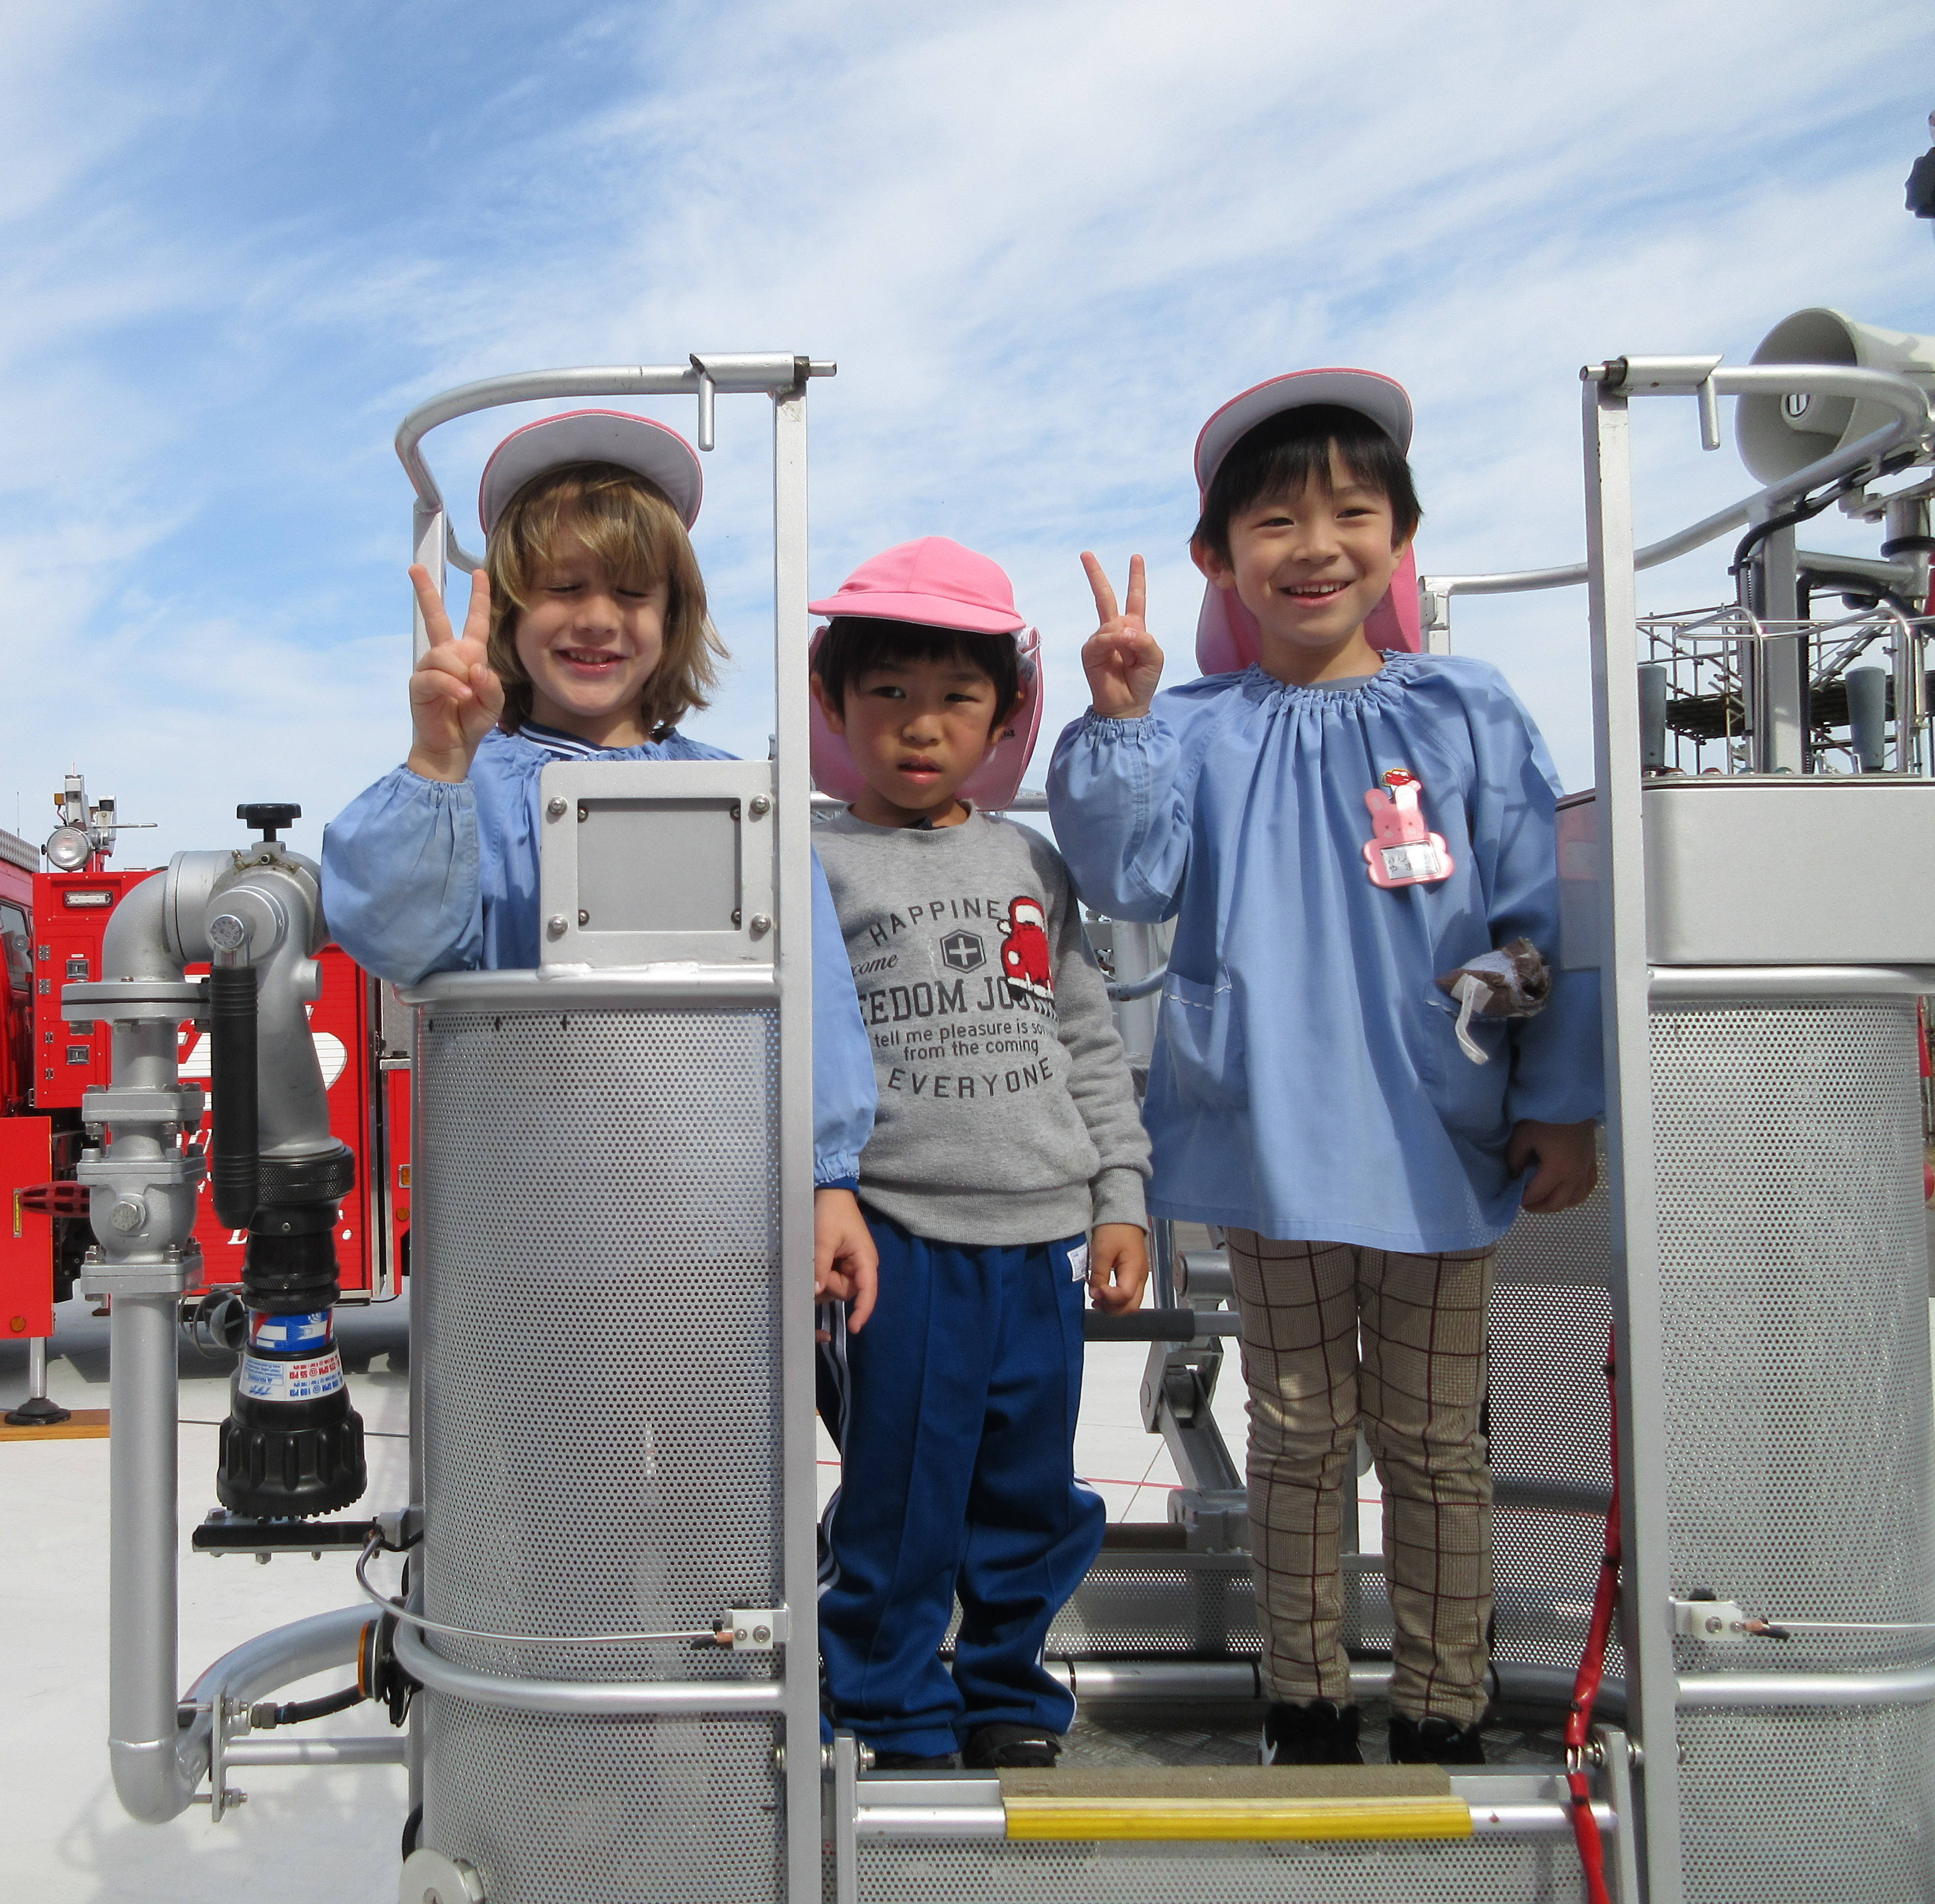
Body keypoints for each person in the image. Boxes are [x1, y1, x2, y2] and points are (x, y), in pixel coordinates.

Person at [1046, 372, 1602, 1767]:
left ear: (1400, 540)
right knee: (1297, 1430)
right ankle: (1303, 1702)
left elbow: (1539, 919)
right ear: (1218, 558)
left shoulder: (1469, 710)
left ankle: (1444, 1709)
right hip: (1272, 1140)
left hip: (1441, 1138)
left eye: (1353, 514)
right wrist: (1120, 719)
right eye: (1275, 521)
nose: (1316, 547)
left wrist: (1557, 1101)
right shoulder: (1193, 728)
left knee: (1436, 1440)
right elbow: (1127, 877)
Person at [322, 409, 881, 1321]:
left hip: (717, 1233)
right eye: (563, 586)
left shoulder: (741, 795)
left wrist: (830, 1180)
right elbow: (394, 937)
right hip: (525, 1242)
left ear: (674, 617)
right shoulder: (466, 789)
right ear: (509, 610)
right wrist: (435, 764)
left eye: (630, 592)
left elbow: (812, 992)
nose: (595, 618)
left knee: (715, 1424)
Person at [806, 536, 1152, 1772]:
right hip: (897, 1235)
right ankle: (890, 1702)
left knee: (1028, 1489)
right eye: (888, 691)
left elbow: (1088, 1039)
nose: (921, 724)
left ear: (1005, 717)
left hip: (1040, 1235)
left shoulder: (1030, 861)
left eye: (958, 698)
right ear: (832, 702)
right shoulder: (814, 862)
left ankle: (1007, 1686)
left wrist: (1121, 1195)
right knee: (901, 1492)